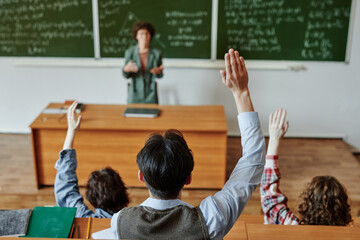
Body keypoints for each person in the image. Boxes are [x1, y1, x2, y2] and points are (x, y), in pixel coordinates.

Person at [111, 49, 266, 239]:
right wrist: (241, 93)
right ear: (189, 178)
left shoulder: (120, 223)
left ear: (141, 176)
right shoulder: (212, 219)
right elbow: (254, 159)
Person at [260, 108, 352, 225]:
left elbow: (269, 197)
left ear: (308, 203)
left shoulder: (292, 225)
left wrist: (274, 139)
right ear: (342, 208)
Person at [54, 101, 129, 218]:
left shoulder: (83, 216)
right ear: (123, 192)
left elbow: (66, 189)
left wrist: (71, 131)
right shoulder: (137, 221)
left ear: (91, 196)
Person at [123, 21, 163, 104]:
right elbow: (125, 75)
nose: (144, 36)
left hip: (151, 94)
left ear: (150, 35)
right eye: (141, 33)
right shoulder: (130, 52)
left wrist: (158, 72)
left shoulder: (156, 53)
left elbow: (160, 75)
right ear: (136, 36)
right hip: (134, 93)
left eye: (147, 33)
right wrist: (127, 69)